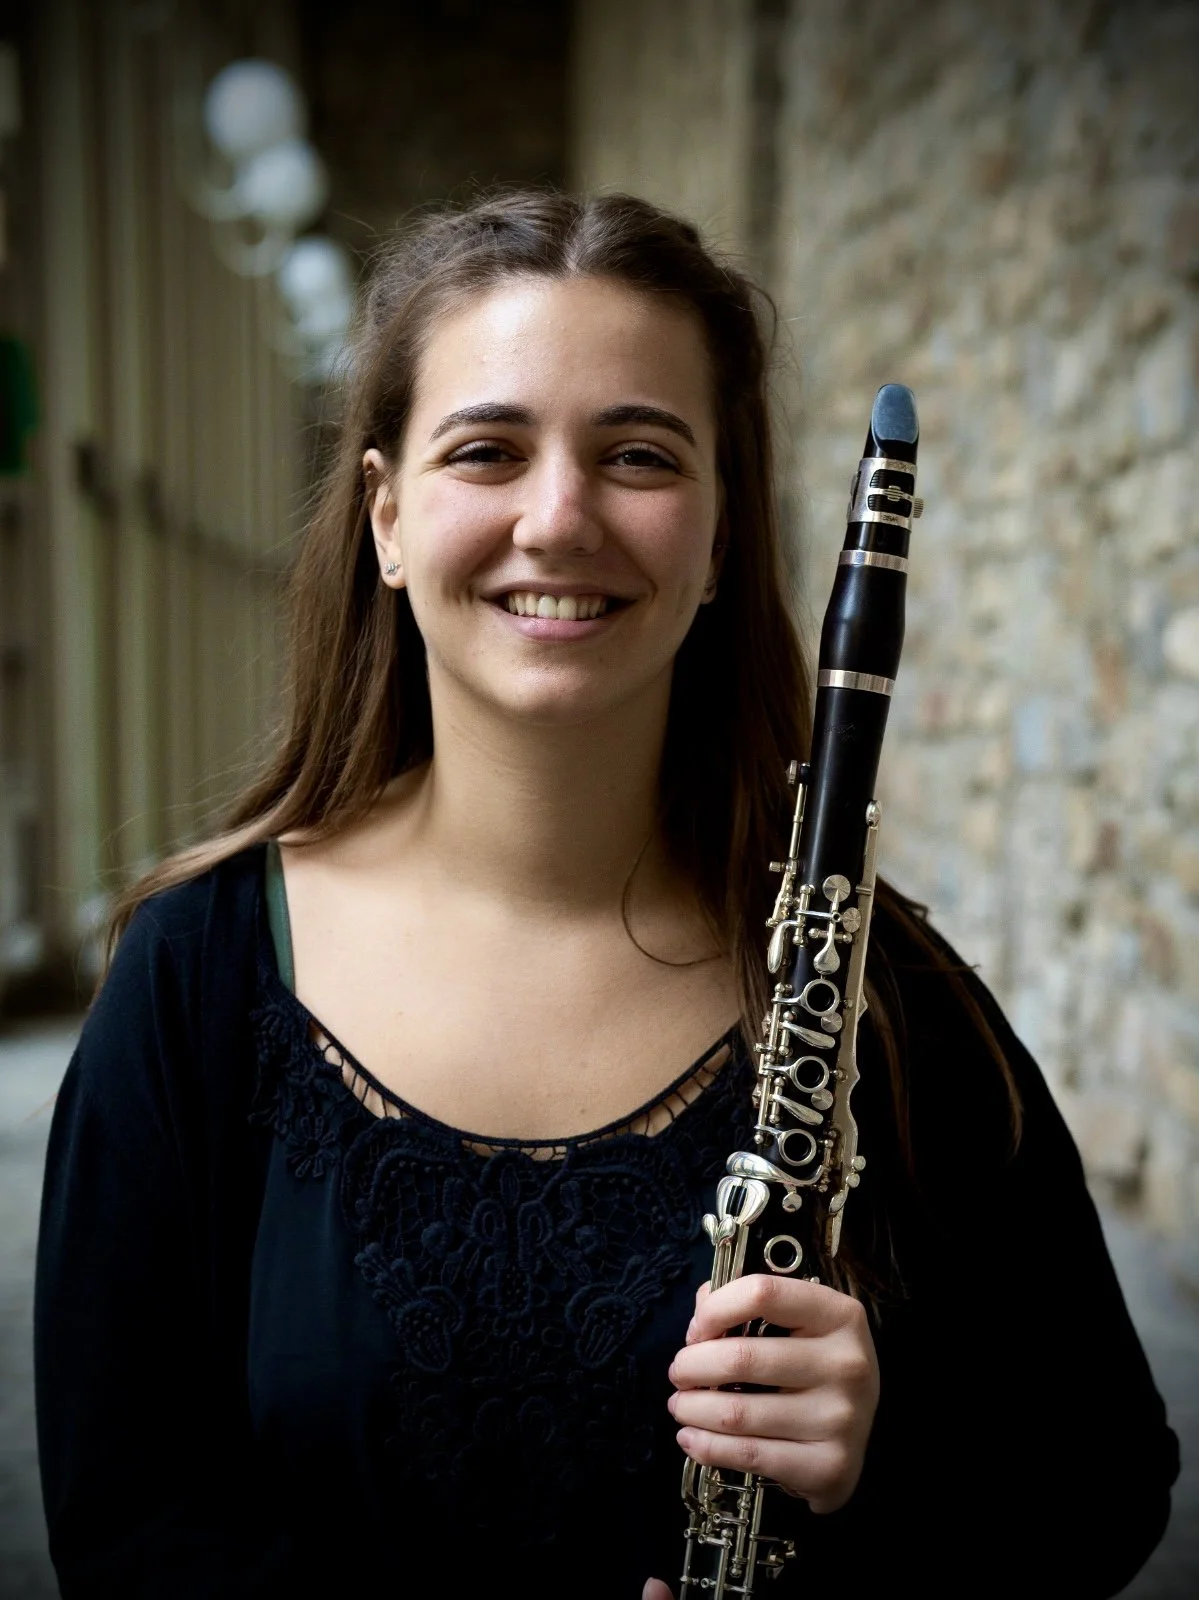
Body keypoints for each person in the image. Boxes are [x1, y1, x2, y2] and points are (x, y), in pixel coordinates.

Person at [35, 191, 1177, 1600]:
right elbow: (124, 1525)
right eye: (487, 450)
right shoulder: (195, 978)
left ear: (719, 535)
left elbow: (1103, 1483)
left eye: (638, 455)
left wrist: (884, 1470)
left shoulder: (887, 1002)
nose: (560, 517)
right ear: (386, 518)